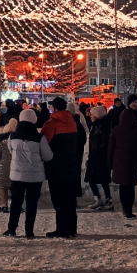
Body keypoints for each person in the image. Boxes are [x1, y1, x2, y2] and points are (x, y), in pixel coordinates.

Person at [4, 109, 52, 237]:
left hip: (17, 174)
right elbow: (48, 156)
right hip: (34, 175)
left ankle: (11, 229)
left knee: (16, 202)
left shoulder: (12, 136)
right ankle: (29, 231)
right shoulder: (39, 137)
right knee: (31, 203)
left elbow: (10, 150)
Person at [42, 96, 81, 238]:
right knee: (70, 198)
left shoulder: (52, 124)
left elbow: (44, 142)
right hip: (70, 165)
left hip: (56, 166)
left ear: (54, 107)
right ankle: (72, 228)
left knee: (58, 199)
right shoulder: (72, 122)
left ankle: (62, 228)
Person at [109, 106, 137, 220]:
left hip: (119, 162)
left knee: (123, 187)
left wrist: (110, 163)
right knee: (130, 188)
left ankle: (124, 208)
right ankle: (129, 210)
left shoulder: (116, 130)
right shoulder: (136, 131)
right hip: (132, 163)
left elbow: (111, 148)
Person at [85, 104, 113, 210]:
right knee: (96, 179)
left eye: (92, 114)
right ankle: (101, 198)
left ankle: (105, 199)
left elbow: (104, 143)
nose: (90, 116)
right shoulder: (96, 125)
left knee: (99, 179)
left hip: (99, 157)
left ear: (97, 115)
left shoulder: (102, 127)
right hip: (96, 156)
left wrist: (95, 153)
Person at [0, 118, 17, 213]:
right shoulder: (18, 140)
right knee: (15, 188)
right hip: (15, 167)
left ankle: (3, 205)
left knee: (3, 188)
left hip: (3, 167)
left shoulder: (1, 142)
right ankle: (16, 204)